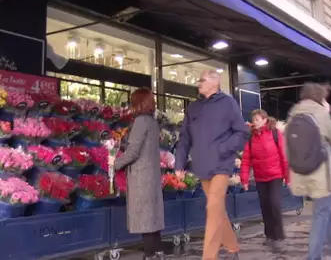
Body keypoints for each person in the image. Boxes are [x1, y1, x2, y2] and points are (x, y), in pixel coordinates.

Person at [175, 70, 248, 260]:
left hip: (222, 165)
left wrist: (223, 149)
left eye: (202, 80)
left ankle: (209, 257)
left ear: (215, 83)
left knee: (213, 209)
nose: (198, 83)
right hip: (202, 165)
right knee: (217, 210)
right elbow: (184, 138)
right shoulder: (194, 107)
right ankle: (232, 247)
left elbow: (241, 133)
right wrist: (179, 164)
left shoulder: (228, 103)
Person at [286, 83, 331, 259]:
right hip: (320, 175)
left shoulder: (293, 114)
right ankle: (313, 257)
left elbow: (286, 147)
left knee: (325, 213)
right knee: (320, 215)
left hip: (300, 173)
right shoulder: (320, 113)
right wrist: (327, 114)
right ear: (320, 97)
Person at [109, 88, 165, 259]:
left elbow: (133, 152)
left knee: (145, 218)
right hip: (152, 175)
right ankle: (158, 252)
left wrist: (115, 162)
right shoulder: (152, 122)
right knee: (152, 217)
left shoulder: (140, 121)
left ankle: (149, 255)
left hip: (142, 177)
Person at [240, 109, 288, 253]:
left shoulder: (275, 134)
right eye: (253, 120)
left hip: (275, 176)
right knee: (265, 206)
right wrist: (244, 179)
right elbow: (246, 160)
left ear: (264, 120)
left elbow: (283, 155)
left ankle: (279, 236)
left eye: (257, 119)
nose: (254, 122)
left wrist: (288, 177)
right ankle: (269, 235)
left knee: (274, 204)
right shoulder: (250, 138)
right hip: (260, 177)